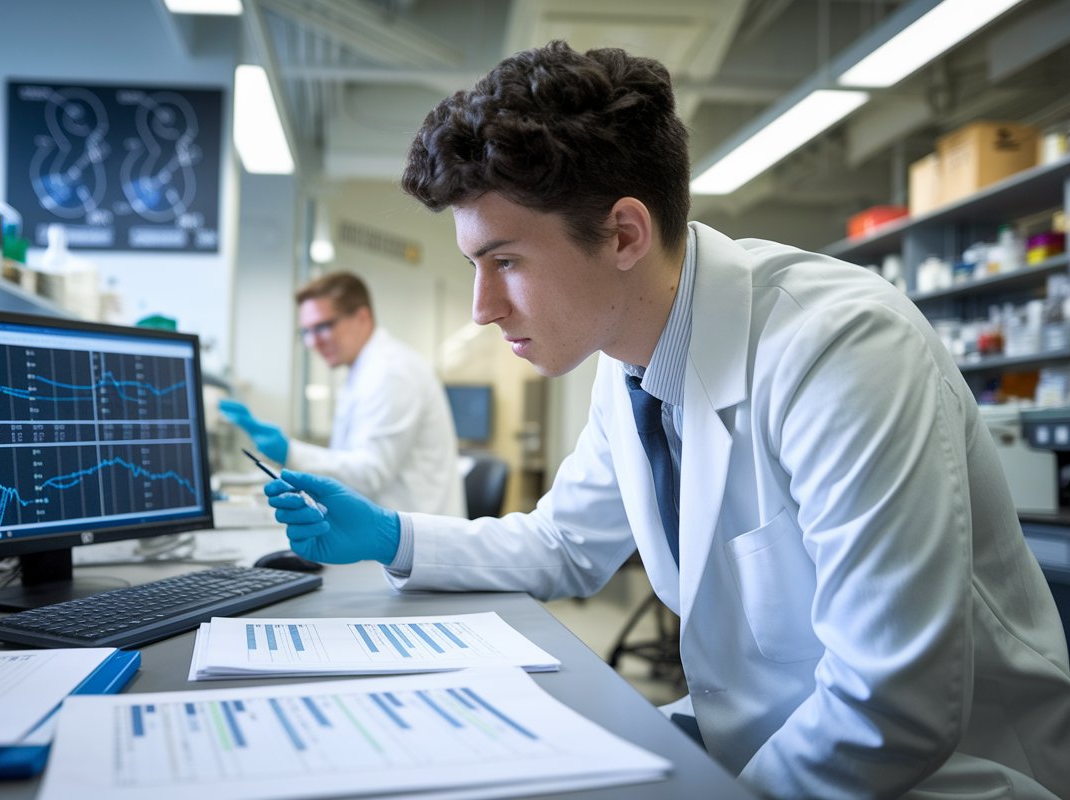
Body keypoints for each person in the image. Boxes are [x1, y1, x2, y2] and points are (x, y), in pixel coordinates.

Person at [262, 42, 1070, 799]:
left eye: (505, 262)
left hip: (939, 777)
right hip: (753, 745)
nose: (481, 308)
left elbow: (894, 705)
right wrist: (395, 537)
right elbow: (566, 545)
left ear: (623, 233)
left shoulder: (842, 349)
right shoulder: (631, 359)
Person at [222, 271, 465, 518]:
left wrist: (291, 452)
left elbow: (370, 473)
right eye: (306, 331)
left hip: (413, 541)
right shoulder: (364, 370)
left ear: (362, 317)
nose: (312, 342)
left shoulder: (392, 372)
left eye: (322, 327)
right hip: (388, 529)